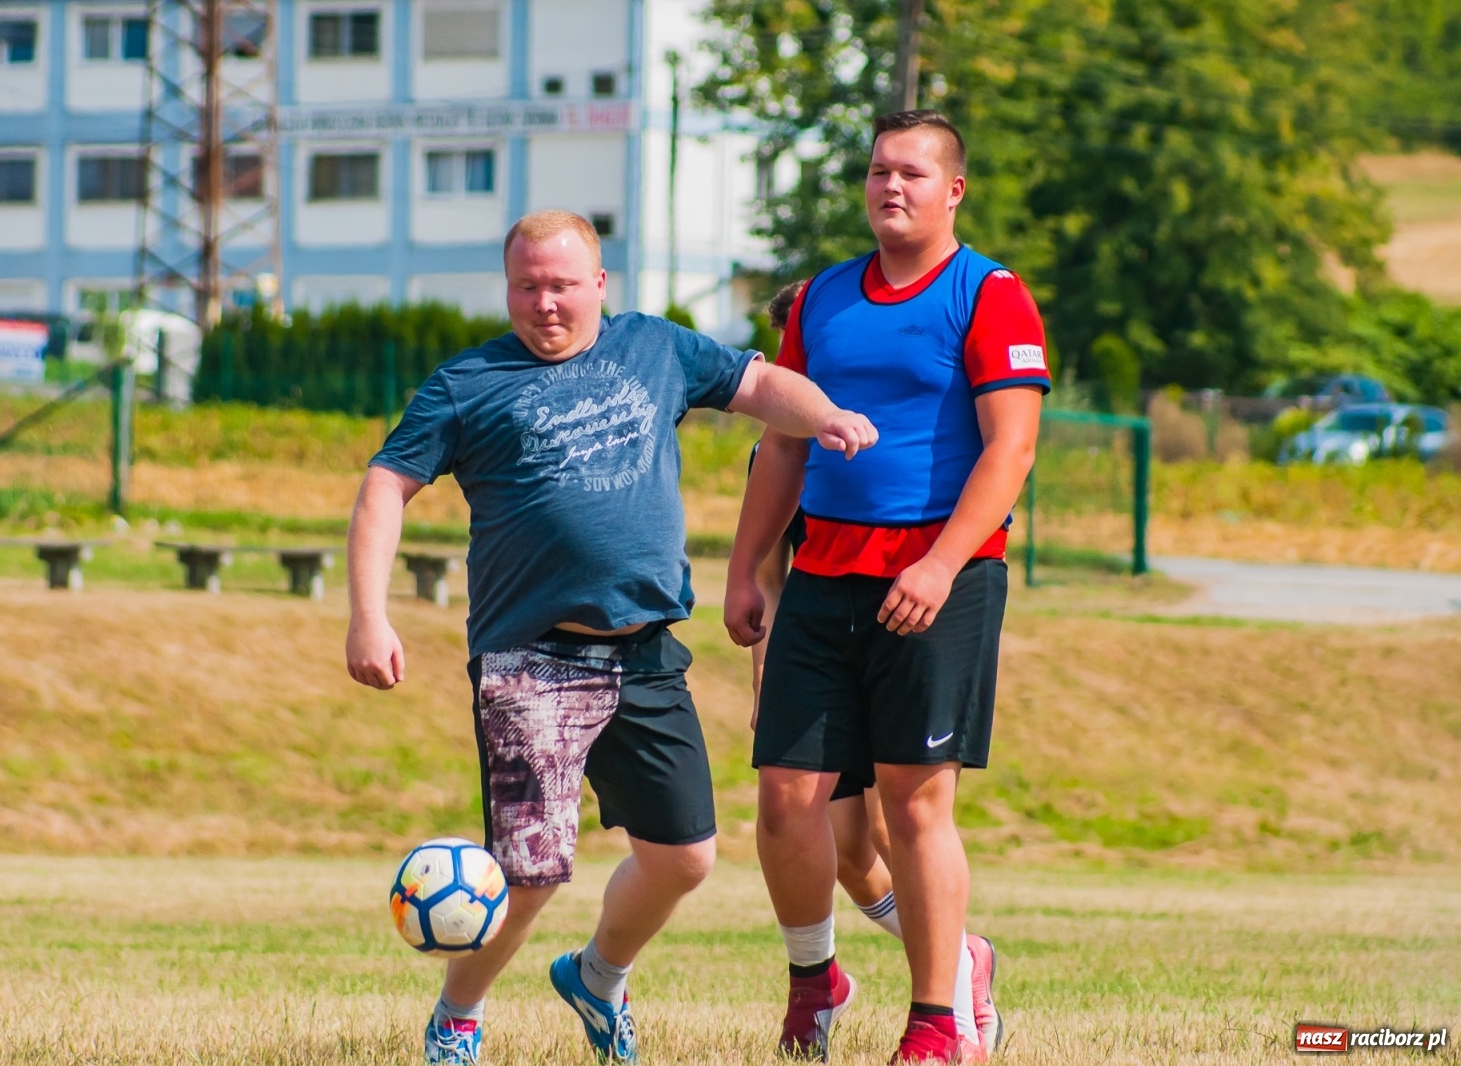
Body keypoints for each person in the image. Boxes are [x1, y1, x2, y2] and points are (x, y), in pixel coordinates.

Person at [346, 210, 877, 1066]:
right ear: (508, 287)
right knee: (528, 871)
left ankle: (596, 977)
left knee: (686, 858)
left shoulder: (655, 349)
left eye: (562, 286)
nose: (545, 304)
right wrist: (370, 615)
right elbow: (383, 488)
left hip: (648, 651)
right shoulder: (467, 384)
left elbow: (757, 382)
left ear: (599, 284)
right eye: (527, 287)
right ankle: (458, 1020)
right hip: (532, 658)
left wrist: (824, 415)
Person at [725, 110, 1048, 1064]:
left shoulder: (989, 295)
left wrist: (942, 563)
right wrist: (747, 568)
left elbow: (1013, 447)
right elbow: (783, 443)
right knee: (787, 800)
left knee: (915, 806)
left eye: (910, 173)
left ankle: (938, 1018)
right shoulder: (818, 301)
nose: (889, 187)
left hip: (940, 579)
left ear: (953, 191)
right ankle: (813, 981)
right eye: (876, 172)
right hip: (824, 578)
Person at [745, 283, 996, 1060]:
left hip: (894, 626)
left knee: (895, 826)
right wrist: (766, 689)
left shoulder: (878, 434)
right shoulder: (782, 453)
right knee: (845, 853)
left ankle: (951, 987)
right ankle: (954, 960)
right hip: (818, 644)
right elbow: (772, 578)